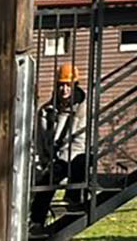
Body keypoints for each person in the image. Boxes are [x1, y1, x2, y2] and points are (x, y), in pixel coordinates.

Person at [31, 63, 89, 227]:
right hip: (52, 158)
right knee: (46, 182)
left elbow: (80, 141)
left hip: (75, 155)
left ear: (74, 86)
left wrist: (59, 161)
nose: (64, 89)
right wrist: (44, 162)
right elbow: (40, 141)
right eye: (61, 85)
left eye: (68, 85)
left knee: (81, 161)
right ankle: (36, 221)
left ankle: (74, 197)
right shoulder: (45, 111)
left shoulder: (83, 110)